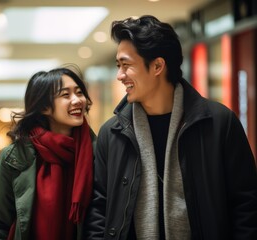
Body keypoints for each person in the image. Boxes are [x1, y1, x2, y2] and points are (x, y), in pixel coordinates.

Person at [83, 15, 257, 239]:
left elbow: (246, 204)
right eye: (118, 66)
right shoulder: (112, 133)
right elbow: (99, 208)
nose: (120, 75)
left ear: (157, 66)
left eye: (126, 65)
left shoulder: (219, 123)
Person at [0, 65, 96, 240]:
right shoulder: (13, 157)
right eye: (66, 95)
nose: (77, 100)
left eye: (79, 93)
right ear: (44, 107)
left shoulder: (96, 152)